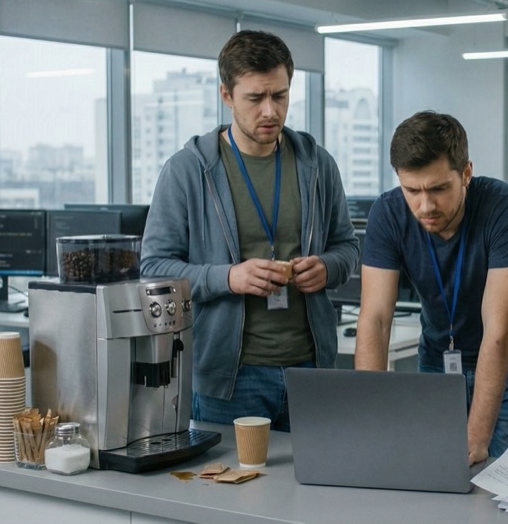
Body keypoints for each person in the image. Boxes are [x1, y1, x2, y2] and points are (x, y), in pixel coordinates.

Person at [140, 30, 359, 430]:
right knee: (230, 490)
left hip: (311, 367)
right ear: (226, 95)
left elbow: (347, 246)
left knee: (317, 490)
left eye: (280, 95)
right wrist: (229, 277)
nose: (270, 111)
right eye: (255, 98)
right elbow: (154, 268)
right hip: (230, 375)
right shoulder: (189, 170)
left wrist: (328, 267)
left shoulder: (317, 164)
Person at [354, 111, 508, 466]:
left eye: (439, 189)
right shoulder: (388, 213)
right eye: (412, 190)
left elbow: (497, 332)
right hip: (438, 366)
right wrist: (372, 418)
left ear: (466, 173)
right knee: (436, 481)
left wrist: (475, 438)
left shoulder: (506, 208)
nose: (425, 206)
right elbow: (376, 319)